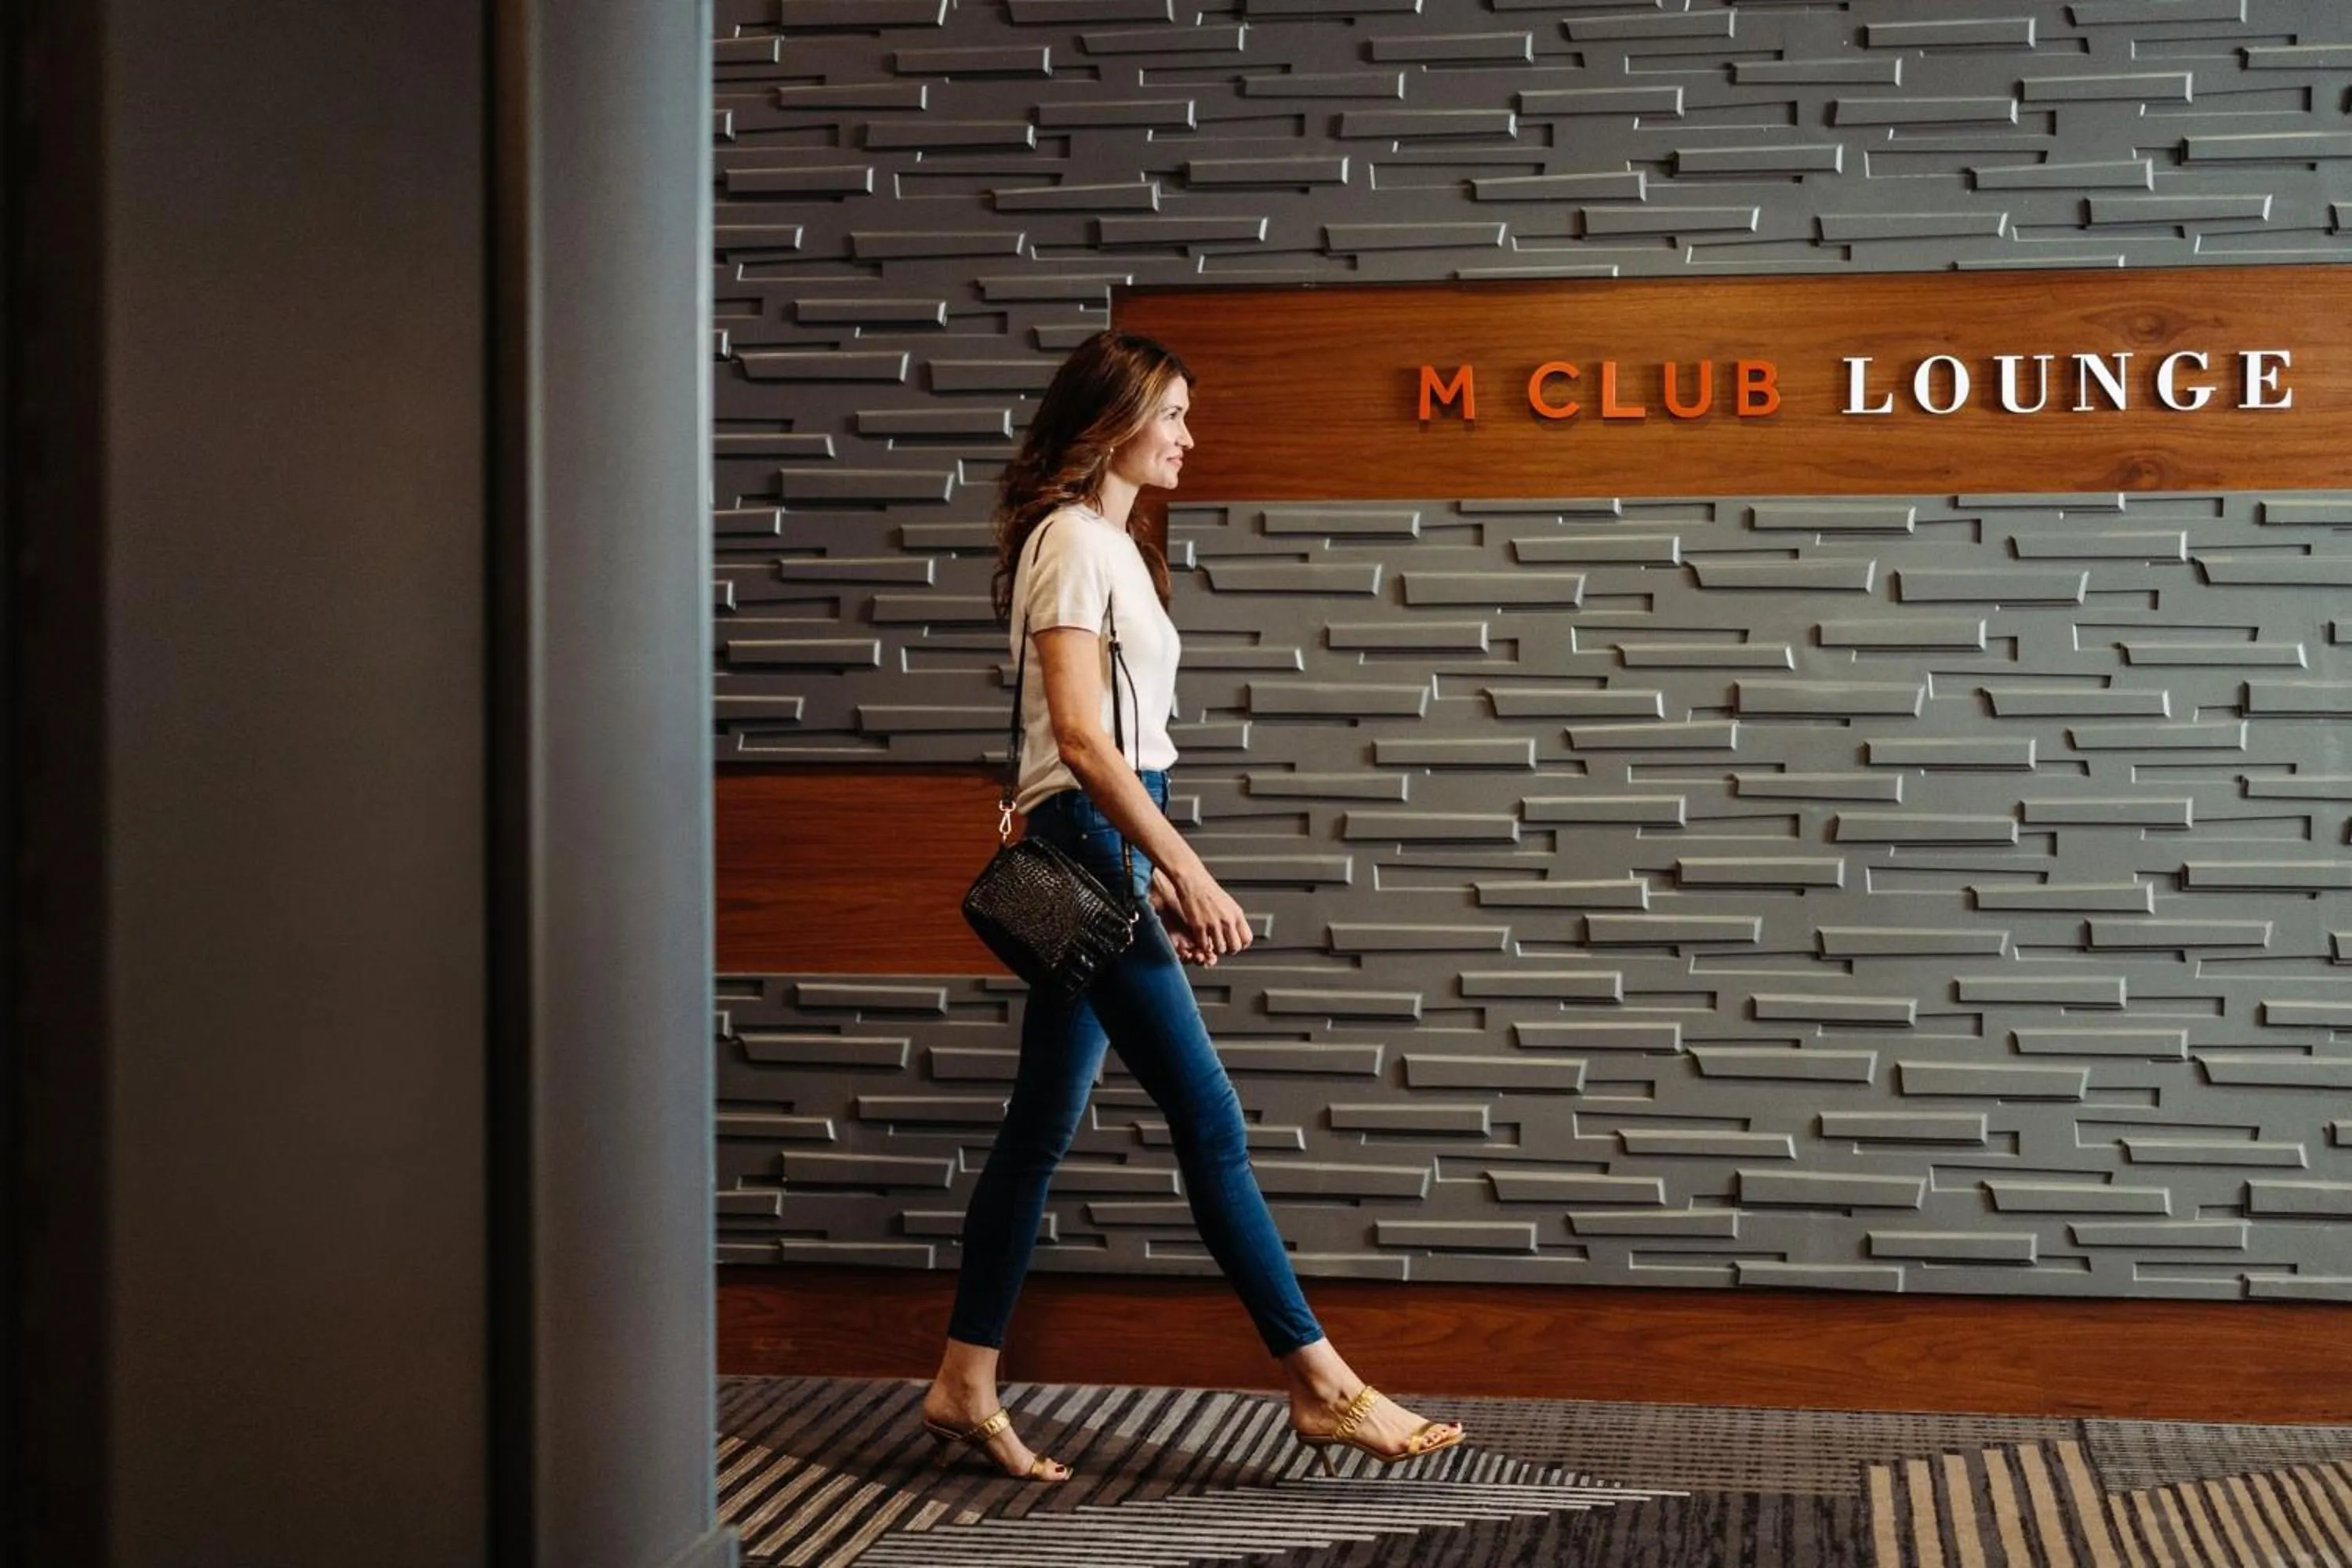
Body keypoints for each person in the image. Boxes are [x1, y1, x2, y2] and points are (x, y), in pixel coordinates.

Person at [919, 328, 1466, 1483]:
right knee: (1210, 1121)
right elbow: (1076, 740)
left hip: (1106, 836)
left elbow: (1116, 749)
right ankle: (1324, 1386)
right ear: (1113, 420)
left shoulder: (1109, 545)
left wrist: (1154, 857)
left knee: (1038, 1128)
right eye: (1171, 414)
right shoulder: (1073, 542)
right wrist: (1189, 868)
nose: (1187, 438)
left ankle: (964, 1381)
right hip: (1086, 837)